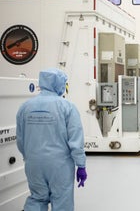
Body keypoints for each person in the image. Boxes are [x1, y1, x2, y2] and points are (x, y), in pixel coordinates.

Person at [16, 68, 87, 211]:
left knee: (37, 198)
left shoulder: (25, 107)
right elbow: (76, 140)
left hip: (33, 163)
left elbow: (20, 139)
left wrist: (28, 157)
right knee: (62, 200)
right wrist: (81, 165)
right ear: (59, 83)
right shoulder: (67, 107)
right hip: (59, 165)